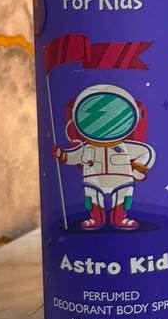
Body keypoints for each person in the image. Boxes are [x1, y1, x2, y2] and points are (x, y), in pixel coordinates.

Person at [53, 85, 155, 230]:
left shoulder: (123, 146)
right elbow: (74, 156)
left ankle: (119, 218)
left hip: (121, 179)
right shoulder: (88, 147)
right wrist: (62, 155)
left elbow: (146, 153)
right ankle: (96, 219)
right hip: (94, 179)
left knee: (122, 198)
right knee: (93, 199)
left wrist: (138, 168)